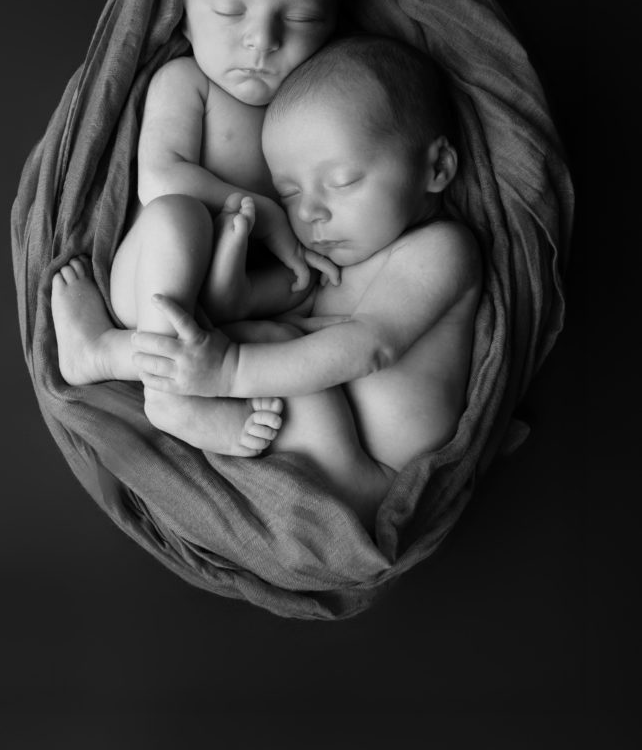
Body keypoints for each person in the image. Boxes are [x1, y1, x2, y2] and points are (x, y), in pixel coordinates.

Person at [127, 35, 483, 529]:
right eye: (289, 193)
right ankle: (118, 358)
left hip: (368, 477)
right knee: (213, 324)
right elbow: (267, 312)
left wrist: (229, 371)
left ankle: (151, 377)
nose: (311, 212)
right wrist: (234, 269)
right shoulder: (332, 257)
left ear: (437, 167)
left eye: (340, 182)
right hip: (302, 439)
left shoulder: (442, 249)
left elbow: (369, 347)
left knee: (259, 342)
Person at [51, 0, 350, 456]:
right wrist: (262, 211)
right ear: (186, 16)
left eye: (300, 19)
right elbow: (157, 180)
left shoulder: (310, 107)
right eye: (230, 9)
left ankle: (173, 366)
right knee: (179, 216)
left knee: (308, 287)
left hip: (233, 301)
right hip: (158, 279)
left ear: (333, 29)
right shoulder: (187, 82)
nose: (261, 40)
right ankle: (118, 362)